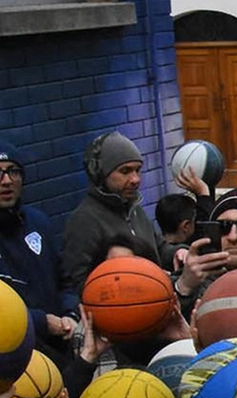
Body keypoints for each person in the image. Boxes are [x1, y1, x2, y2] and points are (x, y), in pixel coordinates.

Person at [62, 131, 164, 291]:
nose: (135, 179)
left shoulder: (135, 210)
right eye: (125, 171)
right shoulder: (84, 221)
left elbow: (159, 248)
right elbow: (80, 283)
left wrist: (180, 252)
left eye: (138, 170)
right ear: (101, 174)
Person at [0, 140, 77, 347]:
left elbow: (65, 281)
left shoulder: (38, 222)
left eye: (13, 171)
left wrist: (70, 313)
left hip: (60, 344)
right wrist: (42, 322)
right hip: (14, 355)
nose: (6, 181)